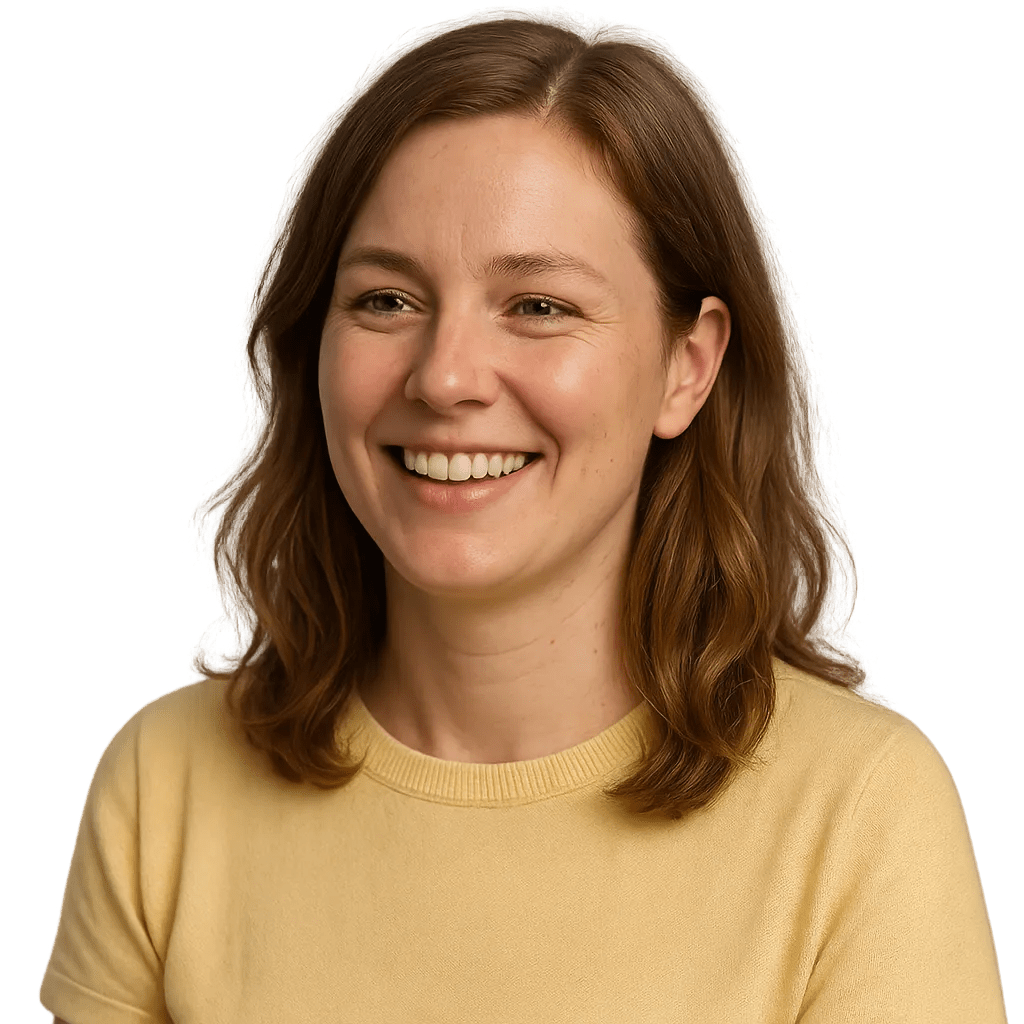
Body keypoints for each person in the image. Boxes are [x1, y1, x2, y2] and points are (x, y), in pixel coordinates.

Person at [39, 8, 1008, 1023]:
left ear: (688, 367)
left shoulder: (861, 814)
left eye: (539, 306)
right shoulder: (163, 786)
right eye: (385, 300)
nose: (445, 376)